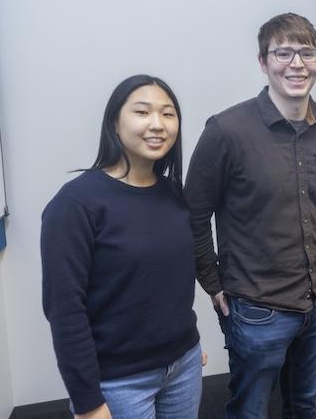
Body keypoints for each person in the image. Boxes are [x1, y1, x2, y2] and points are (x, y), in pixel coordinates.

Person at [184, 13, 316, 418]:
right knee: (250, 412)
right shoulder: (226, 130)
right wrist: (213, 284)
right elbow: (194, 214)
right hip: (257, 309)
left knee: (303, 408)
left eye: (307, 53)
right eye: (283, 53)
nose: (297, 64)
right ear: (263, 61)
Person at [41, 74, 201, 419]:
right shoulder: (75, 204)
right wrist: (87, 401)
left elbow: (167, 281)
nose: (157, 124)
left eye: (168, 114)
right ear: (115, 122)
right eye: (142, 112)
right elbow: (64, 309)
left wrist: (184, 343)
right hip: (118, 382)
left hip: (183, 367)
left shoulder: (173, 193)